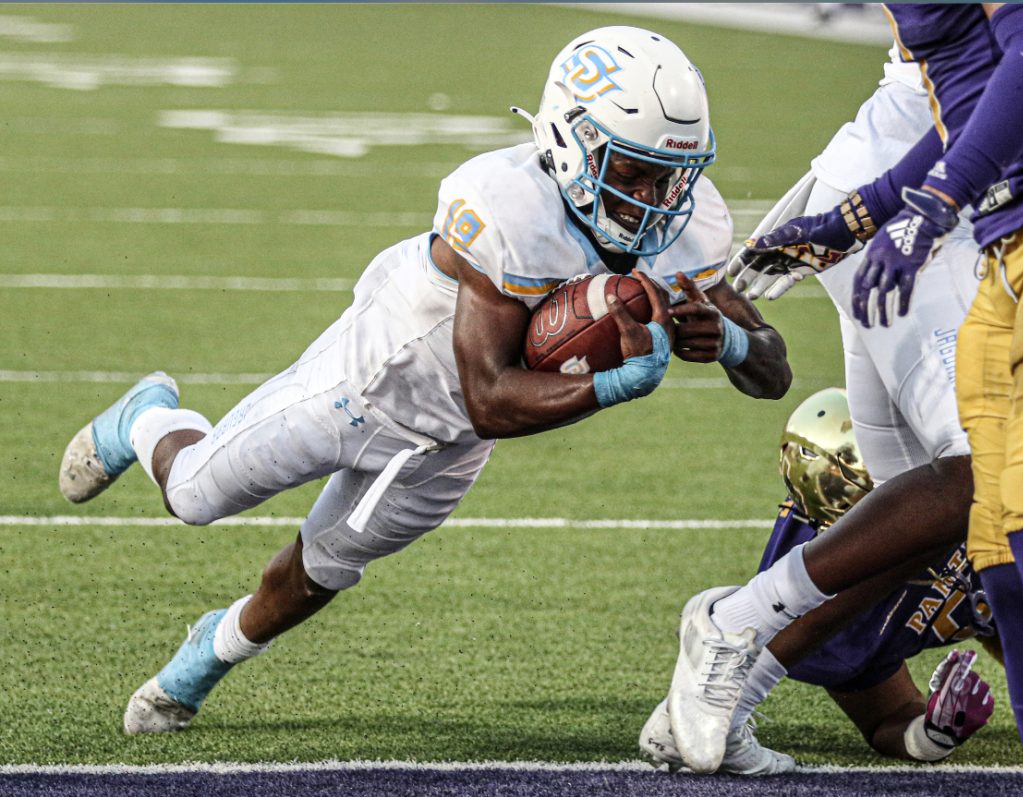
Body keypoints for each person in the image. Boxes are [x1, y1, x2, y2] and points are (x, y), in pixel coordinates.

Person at [56, 25, 791, 735]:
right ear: (571, 142)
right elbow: (491, 394)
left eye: (674, 175)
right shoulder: (505, 207)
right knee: (193, 495)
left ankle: (200, 661)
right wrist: (614, 385)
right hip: (370, 381)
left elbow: (773, 369)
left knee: (327, 568)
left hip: (454, 440)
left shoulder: (686, 231)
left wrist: (729, 339)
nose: (658, 197)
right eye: (633, 170)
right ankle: (147, 418)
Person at [662, 7, 1023, 797]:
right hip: (1013, 226)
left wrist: (932, 202)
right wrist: (863, 210)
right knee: (1004, 543)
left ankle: (743, 626)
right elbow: (971, 92)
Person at [641, 387, 1023, 774]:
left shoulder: (958, 462)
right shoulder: (820, 614)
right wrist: (930, 735)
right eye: (885, 501)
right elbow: (885, 718)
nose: (909, 505)